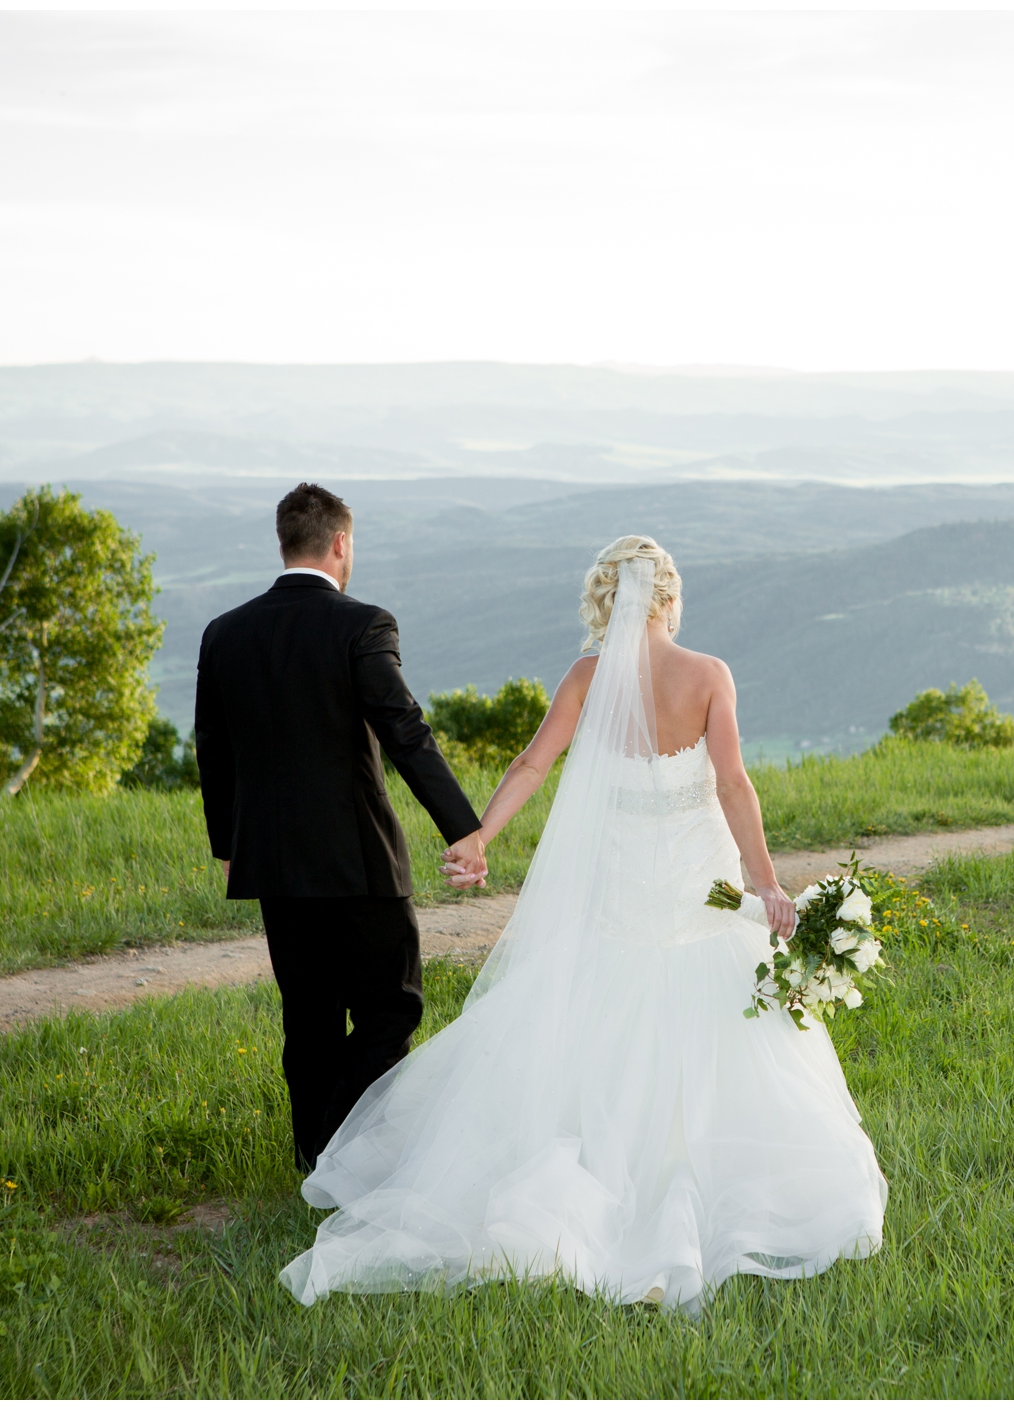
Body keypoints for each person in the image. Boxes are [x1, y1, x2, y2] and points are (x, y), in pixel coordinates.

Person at [279, 536, 887, 1312]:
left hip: (621, 903)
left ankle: (584, 1188)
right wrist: (765, 885)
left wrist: (480, 835)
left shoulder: (587, 678)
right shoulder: (707, 676)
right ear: (668, 596)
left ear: (607, 600)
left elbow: (532, 764)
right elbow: (733, 784)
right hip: (702, 902)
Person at [194, 483, 487, 1174]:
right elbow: (405, 732)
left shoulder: (225, 632)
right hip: (359, 862)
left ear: (284, 541)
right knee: (392, 1011)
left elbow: (214, 748)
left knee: (310, 1018)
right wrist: (463, 827)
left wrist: (228, 846)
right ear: (341, 543)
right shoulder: (363, 624)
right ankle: (332, 1149)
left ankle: (313, 1158)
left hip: (270, 860)